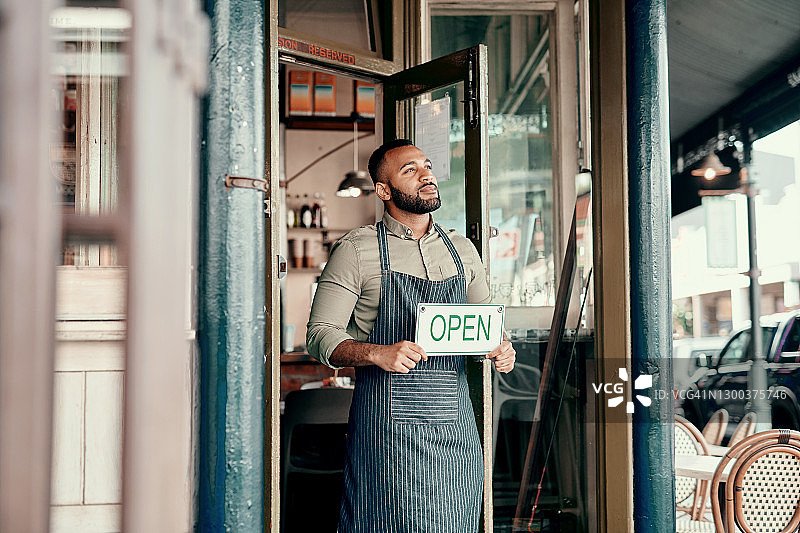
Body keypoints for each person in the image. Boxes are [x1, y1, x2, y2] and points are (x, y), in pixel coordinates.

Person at [306, 139, 516, 532]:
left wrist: (504, 349)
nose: (427, 175)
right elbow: (319, 336)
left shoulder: (463, 250)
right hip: (387, 433)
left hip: (455, 431)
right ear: (384, 191)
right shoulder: (356, 249)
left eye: (427, 166)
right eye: (410, 170)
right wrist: (376, 353)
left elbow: (490, 327)